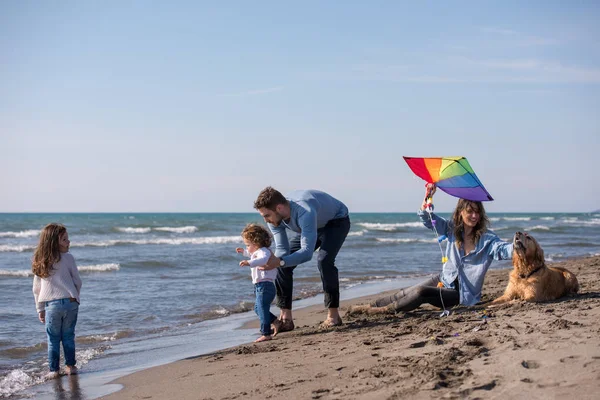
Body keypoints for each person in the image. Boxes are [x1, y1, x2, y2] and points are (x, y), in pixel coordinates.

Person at [348, 183, 512, 315]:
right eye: (470, 212)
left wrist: (520, 245)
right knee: (407, 292)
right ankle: (368, 306)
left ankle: (384, 310)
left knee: (421, 292)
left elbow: (503, 250)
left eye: (477, 212)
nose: (474, 216)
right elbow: (426, 218)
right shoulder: (451, 229)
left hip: (461, 295)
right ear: (461, 212)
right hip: (444, 279)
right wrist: (429, 195)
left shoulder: (487, 239)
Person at [253, 187, 350, 330]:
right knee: (281, 263)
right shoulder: (274, 219)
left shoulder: (305, 211)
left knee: (324, 261)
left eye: (267, 215)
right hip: (312, 227)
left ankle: (333, 316)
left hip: (336, 221)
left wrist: (280, 261)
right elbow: (282, 250)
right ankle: (286, 319)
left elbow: (306, 253)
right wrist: (274, 262)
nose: (265, 220)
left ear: (279, 208)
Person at [32, 223, 82, 379]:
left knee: (53, 338)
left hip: (51, 305)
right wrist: (75, 296)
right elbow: (77, 281)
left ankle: (54, 370)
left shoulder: (41, 261)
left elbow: (37, 288)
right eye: (64, 239)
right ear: (54, 242)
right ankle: (71, 366)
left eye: (67, 239)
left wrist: (40, 309)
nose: (68, 242)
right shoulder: (68, 258)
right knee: (68, 335)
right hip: (70, 302)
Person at [235, 223, 279, 343]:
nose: (247, 247)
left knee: (262, 308)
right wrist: (244, 252)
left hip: (265, 285)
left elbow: (262, 260)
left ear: (256, 243)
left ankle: (266, 333)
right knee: (257, 308)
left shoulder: (264, 251)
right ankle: (275, 321)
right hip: (260, 286)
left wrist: (249, 262)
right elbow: (253, 254)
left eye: (248, 245)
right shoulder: (258, 251)